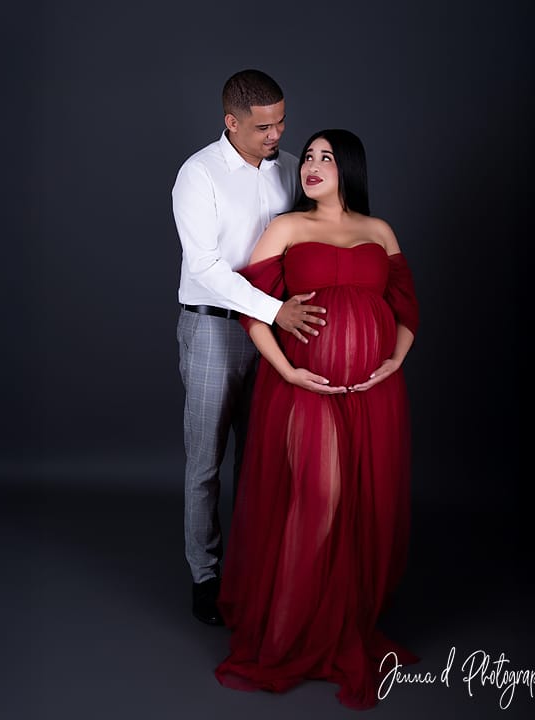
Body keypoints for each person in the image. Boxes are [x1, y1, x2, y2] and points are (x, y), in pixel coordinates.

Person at [214, 129, 420, 709]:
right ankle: (289, 631)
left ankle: (342, 623)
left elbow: (406, 305)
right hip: (305, 389)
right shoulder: (286, 228)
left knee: (359, 503)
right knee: (318, 498)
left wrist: (394, 361)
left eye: (326, 158)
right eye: (307, 156)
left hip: (373, 392)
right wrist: (287, 371)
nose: (311, 165)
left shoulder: (379, 231)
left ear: (348, 167)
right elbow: (252, 310)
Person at [172, 70, 327, 627]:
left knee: (262, 458)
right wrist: (274, 310)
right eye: (264, 126)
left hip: (277, 333)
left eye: (281, 121)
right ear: (231, 122)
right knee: (205, 462)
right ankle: (205, 576)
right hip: (214, 329)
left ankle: (252, 570)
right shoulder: (198, 174)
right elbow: (205, 268)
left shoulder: (291, 169)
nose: (277, 133)